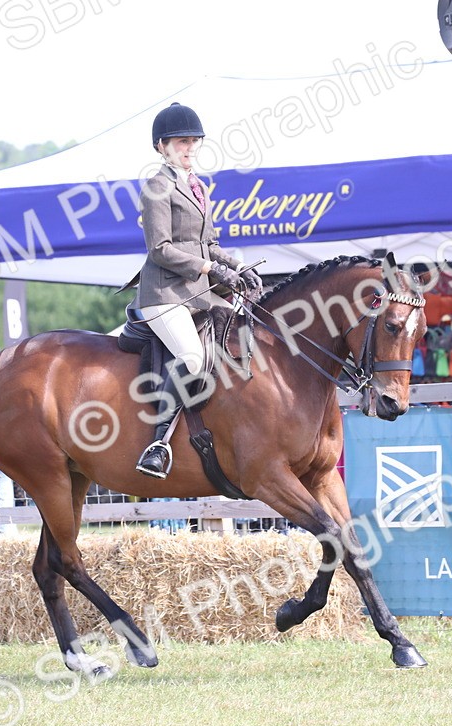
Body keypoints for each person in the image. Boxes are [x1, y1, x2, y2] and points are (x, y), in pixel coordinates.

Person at [131, 102, 263, 480]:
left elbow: (209, 243)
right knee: (192, 355)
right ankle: (158, 443)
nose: (189, 148)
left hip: (198, 291)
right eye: (181, 142)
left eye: (193, 141)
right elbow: (160, 248)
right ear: (161, 147)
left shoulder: (197, 186)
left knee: (241, 336)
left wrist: (237, 266)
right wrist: (209, 268)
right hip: (165, 294)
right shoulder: (157, 188)